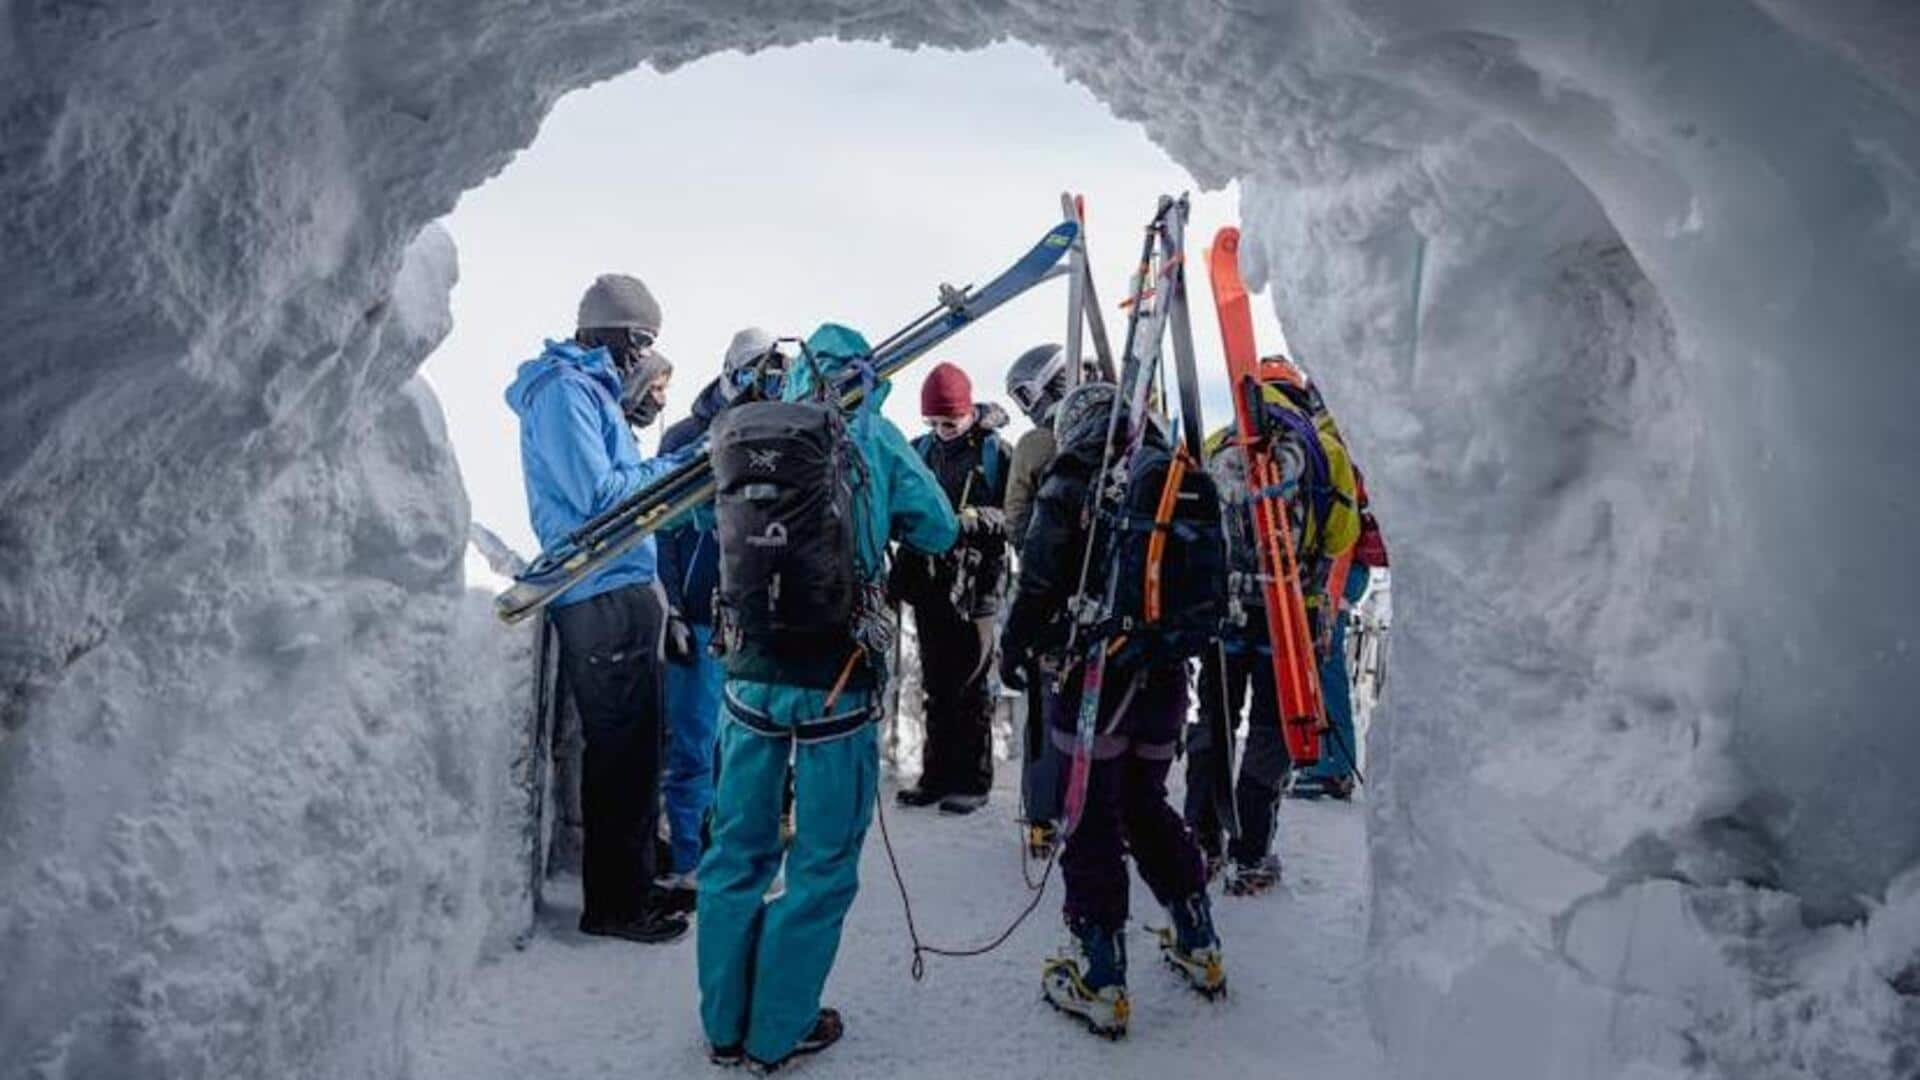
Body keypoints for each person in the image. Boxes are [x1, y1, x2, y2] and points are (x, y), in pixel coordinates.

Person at [697, 324, 959, 1072]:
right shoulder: (871, 435)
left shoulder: (743, 430)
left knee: (737, 848)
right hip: (834, 680)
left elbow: (690, 513)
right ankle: (777, 1030)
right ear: (865, 374)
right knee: (821, 858)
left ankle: (723, 1024)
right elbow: (938, 530)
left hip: (748, 671)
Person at [1000, 382, 1225, 1038]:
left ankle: (1099, 972)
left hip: (1096, 676)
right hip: (1163, 680)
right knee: (1146, 805)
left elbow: (1039, 576)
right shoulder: (1176, 476)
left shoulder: (1075, 478)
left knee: (1089, 814)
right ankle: (1198, 938)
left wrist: (1017, 648)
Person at [504, 273, 690, 945]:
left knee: (641, 749)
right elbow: (600, 496)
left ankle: (636, 882)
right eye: (641, 342)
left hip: (623, 585)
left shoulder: (595, 394)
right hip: (597, 591)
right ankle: (615, 905)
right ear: (614, 335)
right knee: (619, 751)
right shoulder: (564, 393)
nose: (644, 358)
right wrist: (683, 466)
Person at [1184, 356, 1358, 890]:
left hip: (1225, 613)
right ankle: (1252, 854)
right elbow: (1341, 532)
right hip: (1289, 617)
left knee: (1214, 721)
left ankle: (1201, 841)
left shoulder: (1216, 442)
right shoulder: (1325, 451)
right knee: (1271, 730)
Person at [655, 327, 776, 906]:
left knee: (745, 746)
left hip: (749, 616)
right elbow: (663, 528)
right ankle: (686, 857)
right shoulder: (686, 436)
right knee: (696, 740)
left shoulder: (773, 438)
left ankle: (733, 857)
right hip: (701, 614)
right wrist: (672, 608)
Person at [1001, 343, 1082, 854]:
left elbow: (1016, 517)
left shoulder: (1037, 443)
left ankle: (1042, 816)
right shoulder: (1130, 425)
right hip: (1111, 595)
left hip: (1049, 594)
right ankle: (1097, 809)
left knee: (1046, 706)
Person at [1294, 467, 1386, 800]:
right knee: (1316, 664)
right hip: (1340, 571)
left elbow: (1343, 536)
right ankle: (1322, 759)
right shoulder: (1338, 449)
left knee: (1322, 662)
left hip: (1337, 571)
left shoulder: (1333, 453)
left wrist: (1330, 594)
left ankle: (1330, 765)